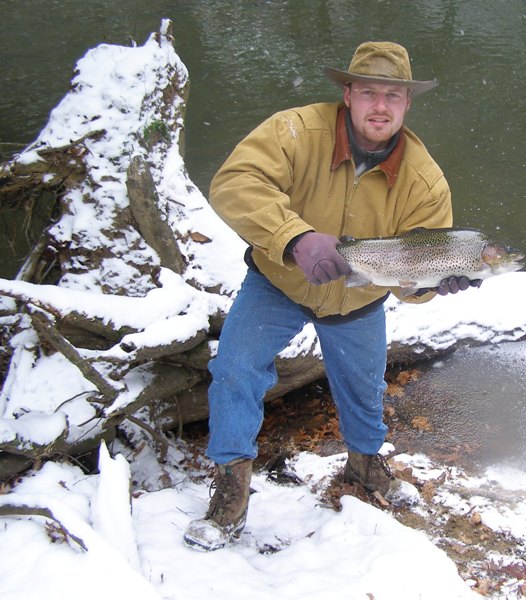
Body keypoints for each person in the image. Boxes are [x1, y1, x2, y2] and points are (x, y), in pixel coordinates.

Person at [183, 41, 480, 552]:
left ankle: (366, 468)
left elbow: (414, 278)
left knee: (364, 390)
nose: (380, 106)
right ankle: (230, 491)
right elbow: (234, 183)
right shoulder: (295, 131)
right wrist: (294, 238)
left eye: (393, 96)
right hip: (278, 282)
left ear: (408, 104)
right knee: (234, 368)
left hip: (357, 302)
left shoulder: (425, 181)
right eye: (368, 92)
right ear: (347, 93)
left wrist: (435, 283)